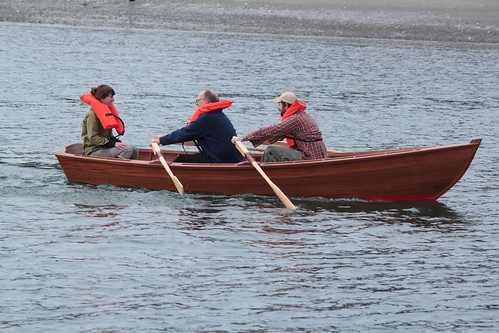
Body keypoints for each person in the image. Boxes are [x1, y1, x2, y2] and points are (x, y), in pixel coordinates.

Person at [150, 89, 242, 163]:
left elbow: (185, 133)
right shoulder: (218, 115)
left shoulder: (207, 118)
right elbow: (189, 133)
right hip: (230, 159)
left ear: (206, 101)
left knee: (180, 160)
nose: (196, 103)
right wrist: (166, 137)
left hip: (220, 161)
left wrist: (160, 140)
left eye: (198, 100)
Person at [232, 92, 328, 162]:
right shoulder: (302, 115)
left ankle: (265, 176)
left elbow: (272, 130)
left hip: (310, 156)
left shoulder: (294, 119)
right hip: (318, 154)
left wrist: (243, 138)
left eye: (279, 104)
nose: (278, 107)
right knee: (273, 149)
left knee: (270, 150)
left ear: (286, 105)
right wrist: (253, 140)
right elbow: (276, 135)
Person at [80, 85, 138, 159]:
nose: (113, 100)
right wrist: (113, 144)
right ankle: (118, 169)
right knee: (128, 149)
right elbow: (93, 137)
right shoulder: (92, 115)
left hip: (105, 148)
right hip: (94, 151)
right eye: (111, 97)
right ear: (102, 98)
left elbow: (109, 135)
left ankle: (132, 169)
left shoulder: (106, 113)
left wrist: (118, 142)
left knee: (134, 149)